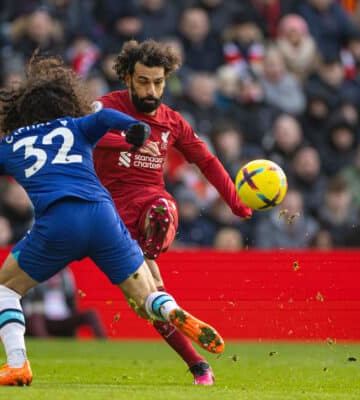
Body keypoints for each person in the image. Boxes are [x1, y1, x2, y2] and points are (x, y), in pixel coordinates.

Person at [0, 55, 224, 387]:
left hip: (57, 222)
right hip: (103, 216)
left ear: (20, 112)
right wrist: (131, 127)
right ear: (67, 101)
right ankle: (169, 308)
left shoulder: (10, 145)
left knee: (4, 289)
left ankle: (17, 364)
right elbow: (103, 119)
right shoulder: (75, 125)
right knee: (145, 297)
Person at [92, 39, 252, 386]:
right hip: (108, 216)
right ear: (128, 78)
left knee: (163, 211)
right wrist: (126, 140)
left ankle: (149, 268)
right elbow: (82, 135)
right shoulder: (105, 108)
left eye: (158, 82)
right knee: (147, 304)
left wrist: (235, 202)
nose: (152, 90)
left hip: (151, 205)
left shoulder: (172, 122)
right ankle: (199, 366)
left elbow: (206, 161)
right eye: (144, 81)